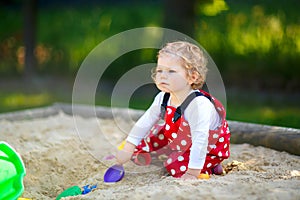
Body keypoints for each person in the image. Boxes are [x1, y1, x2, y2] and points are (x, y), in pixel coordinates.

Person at [115, 41, 230, 180]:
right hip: (178, 139)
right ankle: (146, 154)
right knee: (150, 136)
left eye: (171, 71)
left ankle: (209, 166)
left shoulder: (198, 105)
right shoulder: (163, 97)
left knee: (174, 165)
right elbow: (145, 121)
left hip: (208, 148)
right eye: (159, 70)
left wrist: (192, 173)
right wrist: (128, 148)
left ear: (192, 77)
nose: (163, 76)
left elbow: (201, 140)